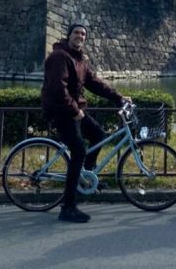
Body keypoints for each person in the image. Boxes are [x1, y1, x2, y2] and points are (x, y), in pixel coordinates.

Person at [41, 23, 128, 223]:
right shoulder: (60, 57)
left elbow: (94, 83)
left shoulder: (79, 59)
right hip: (62, 111)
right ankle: (68, 207)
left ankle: (86, 177)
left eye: (83, 34)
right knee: (79, 151)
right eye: (77, 33)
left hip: (75, 110)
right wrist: (74, 110)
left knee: (98, 134)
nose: (80, 36)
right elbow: (57, 89)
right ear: (69, 35)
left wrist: (119, 98)